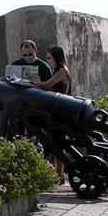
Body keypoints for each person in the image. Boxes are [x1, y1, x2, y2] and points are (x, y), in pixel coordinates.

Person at [33, 45, 71, 183]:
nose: (48, 60)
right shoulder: (56, 70)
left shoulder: (61, 71)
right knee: (55, 142)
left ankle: (60, 174)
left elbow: (48, 85)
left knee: (58, 143)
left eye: (49, 58)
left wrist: (35, 82)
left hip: (59, 109)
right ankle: (57, 173)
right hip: (55, 108)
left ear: (56, 58)